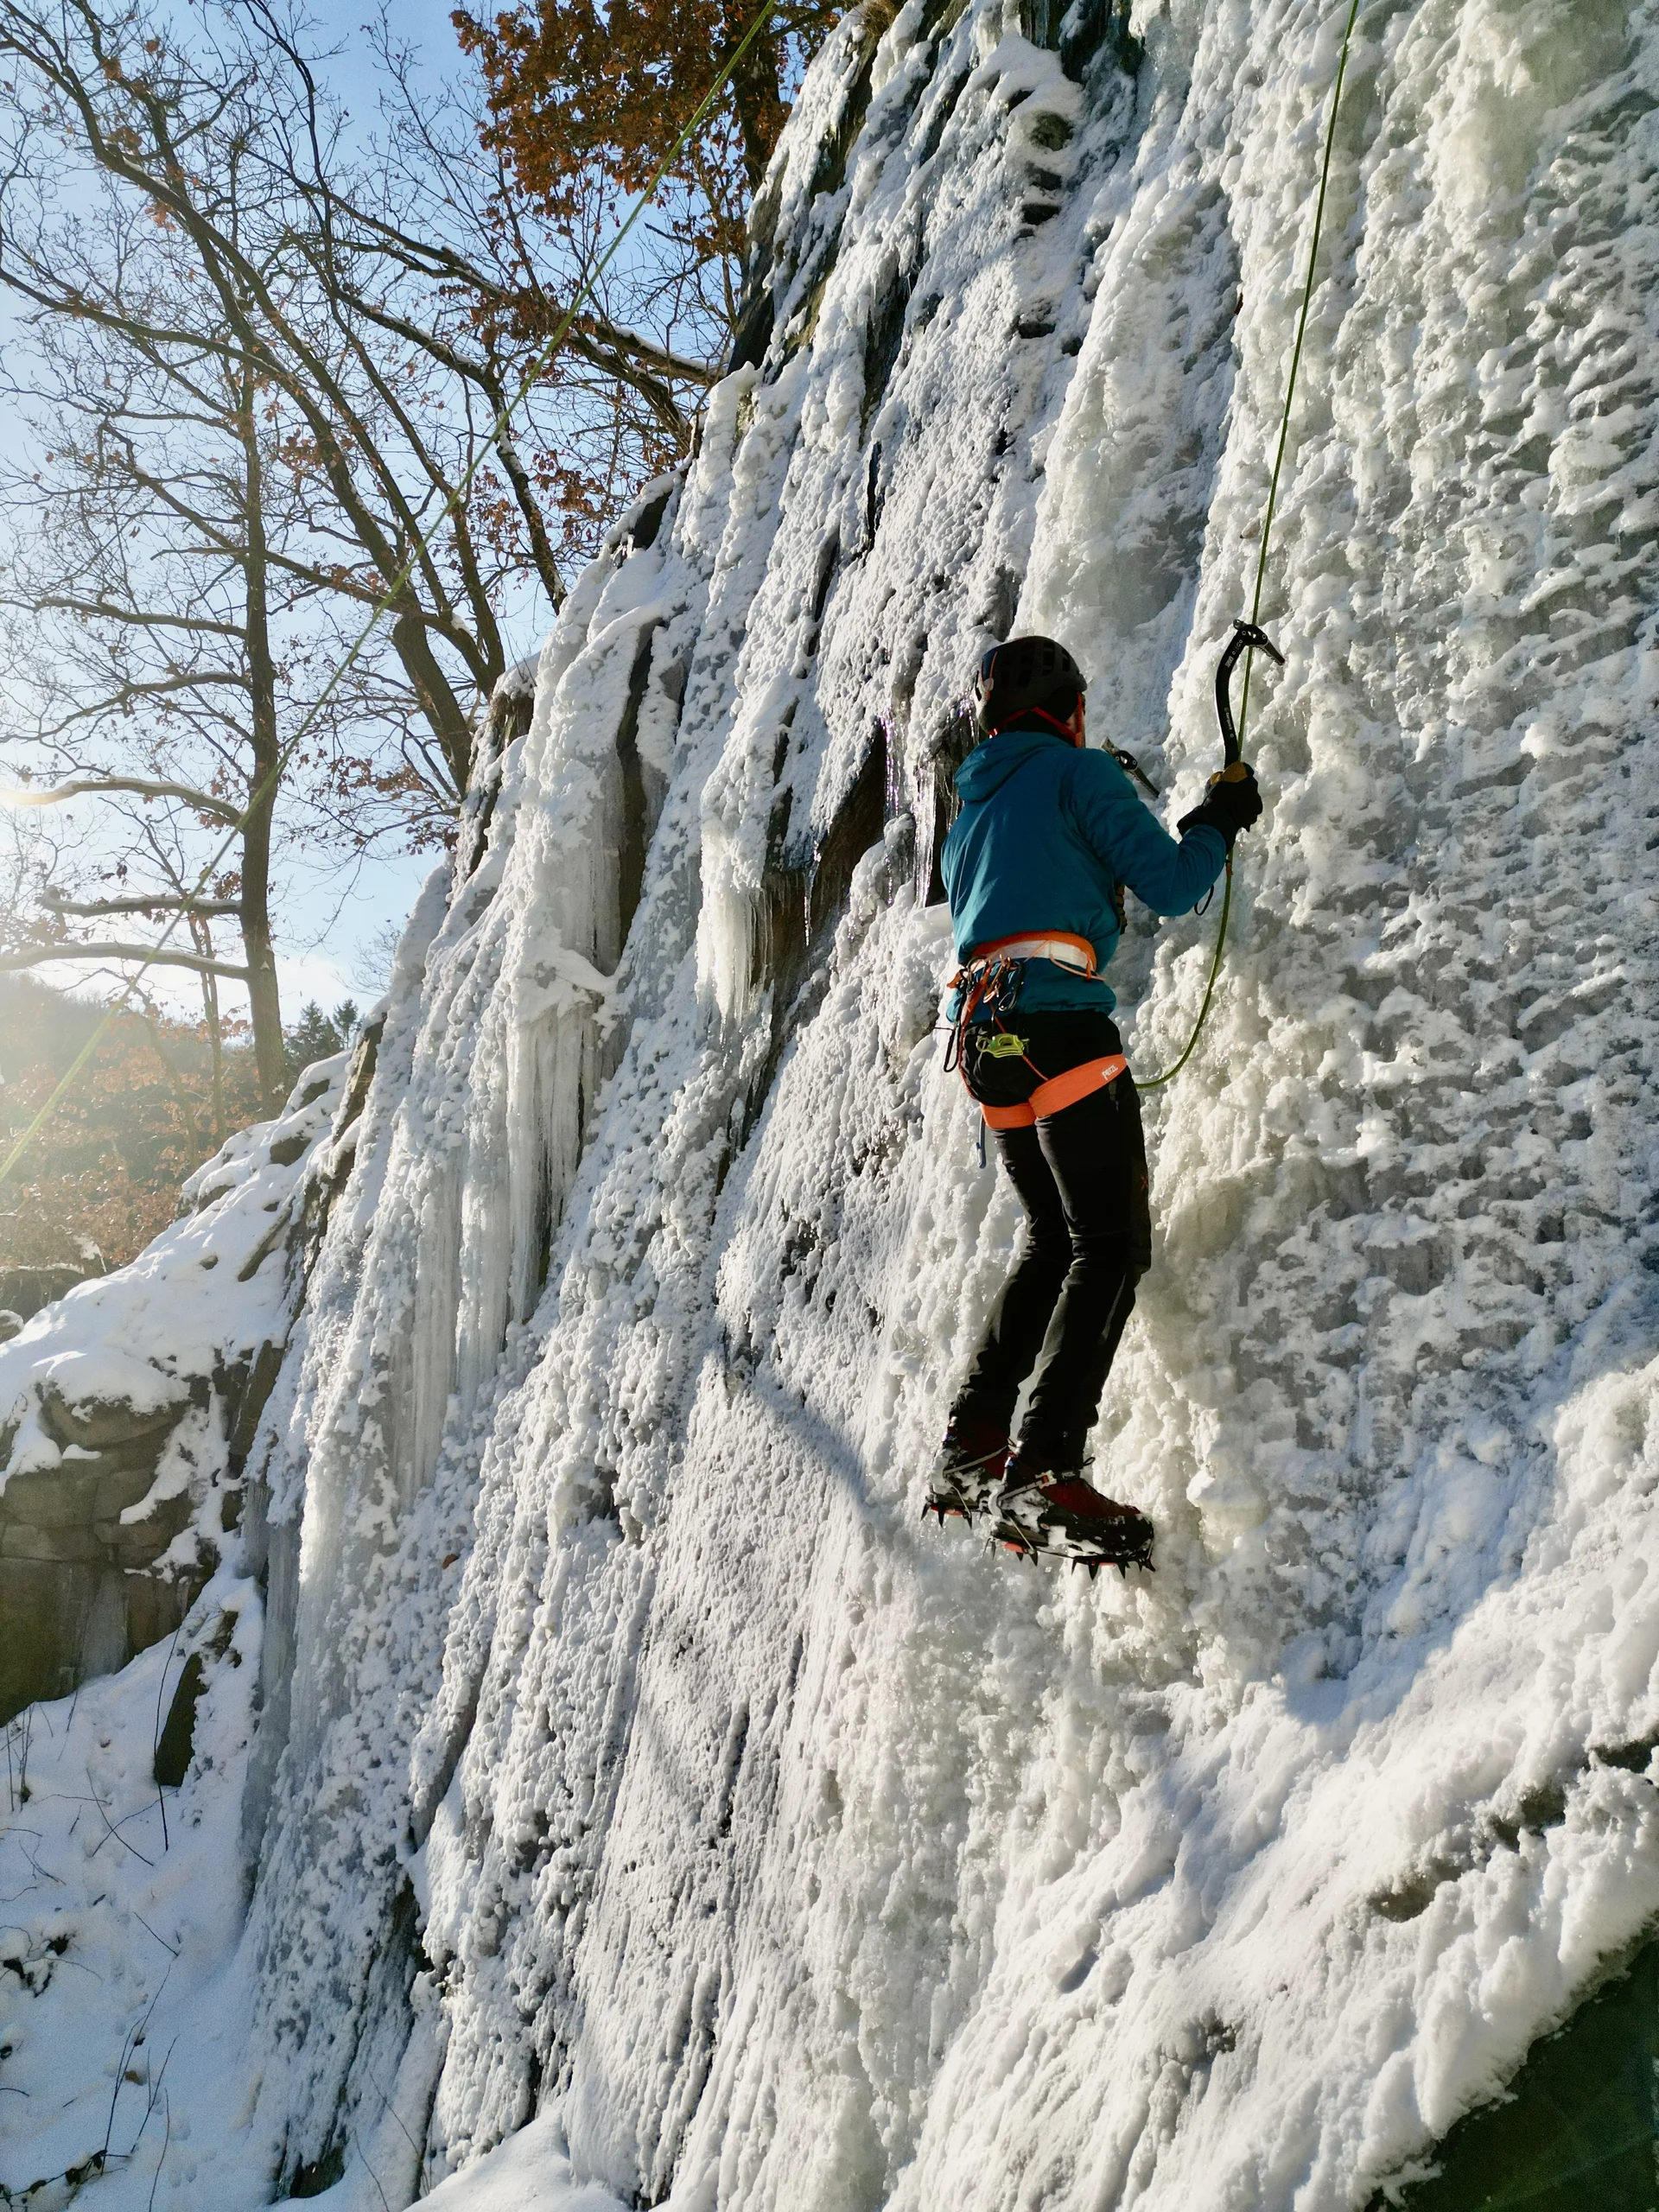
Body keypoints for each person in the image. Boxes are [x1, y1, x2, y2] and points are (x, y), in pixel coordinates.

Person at [931, 634, 1262, 1567]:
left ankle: (972, 1446)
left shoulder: (968, 818)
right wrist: (1220, 814)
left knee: (1050, 1238)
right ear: (1070, 710)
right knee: (1109, 1244)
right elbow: (1173, 882)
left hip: (987, 1044)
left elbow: (1026, 900)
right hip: (1060, 1030)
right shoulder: (1079, 776)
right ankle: (1043, 1466)